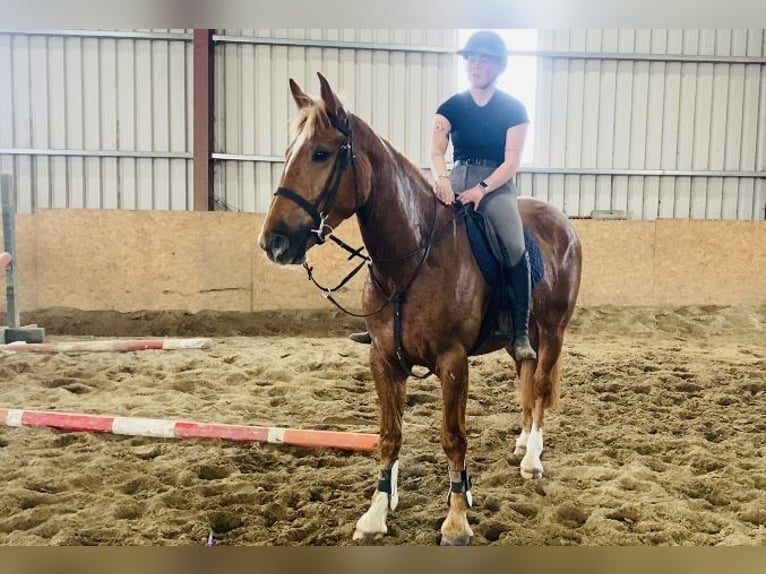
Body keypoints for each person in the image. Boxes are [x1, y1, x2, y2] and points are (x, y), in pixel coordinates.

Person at [350, 30, 536, 362]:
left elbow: (512, 162)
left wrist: (481, 189)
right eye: (471, 59)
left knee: (514, 244)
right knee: (410, 233)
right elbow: (437, 152)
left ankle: (519, 329)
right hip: (455, 177)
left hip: (495, 185)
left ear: (497, 65)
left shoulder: (513, 109)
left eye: (482, 60)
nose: (475, 65)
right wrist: (443, 180)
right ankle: (386, 320)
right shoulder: (451, 107)